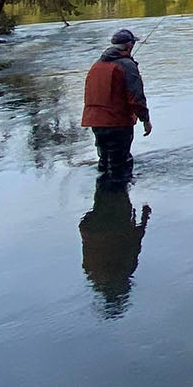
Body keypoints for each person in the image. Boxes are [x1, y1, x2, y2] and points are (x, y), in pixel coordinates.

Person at [82, 28, 151, 183]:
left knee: (104, 162)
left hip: (95, 121)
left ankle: (103, 197)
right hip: (117, 122)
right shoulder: (127, 65)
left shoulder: (97, 64)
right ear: (129, 45)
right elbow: (136, 96)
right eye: (133, 42)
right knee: (121, 166)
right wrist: (145, 119)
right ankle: (118, 200)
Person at [79, 187, 150, 317]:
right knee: (113, 188)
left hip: (95, 227)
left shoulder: (95, 273)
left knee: (112, 188)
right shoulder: (117, 271)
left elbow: (135, 241)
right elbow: (135, 244)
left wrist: (145, 217)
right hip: (96, 227)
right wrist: (145, 218)